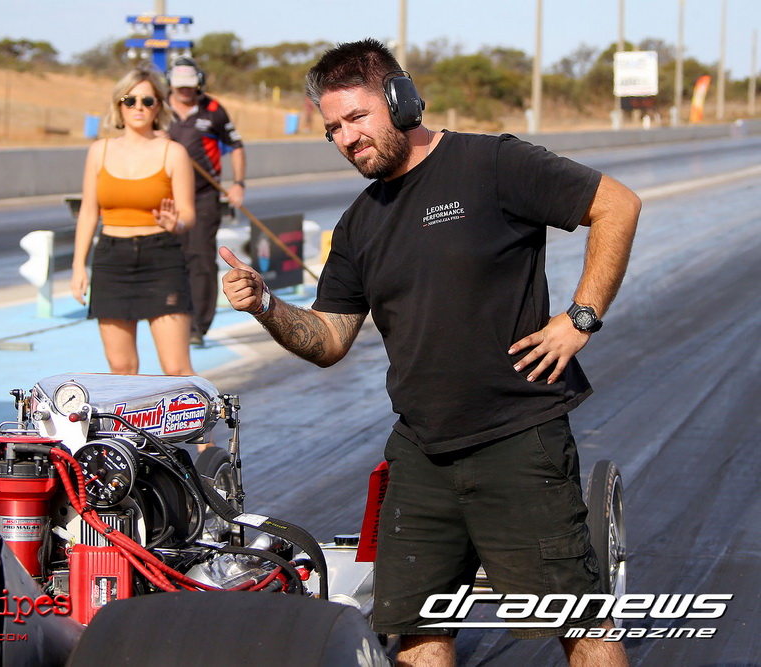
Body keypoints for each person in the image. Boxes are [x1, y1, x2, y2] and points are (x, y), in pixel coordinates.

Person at [220, 39, 640, 666]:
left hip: (517, 440)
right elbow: (330, 339)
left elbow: (616, 205)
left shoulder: (491, 163)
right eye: (333, 129)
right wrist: (266, 306)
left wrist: (580, 318)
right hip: (421, 454)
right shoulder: (358, 224)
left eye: (357, 117)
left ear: (401, 100)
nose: (347, 138)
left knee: (582, 626)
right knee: (415, 634)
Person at [70, 64, 196, 376]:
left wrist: (176, 224)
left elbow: (188, 214)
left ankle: (195, 412)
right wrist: (78, 266)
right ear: (119, 105)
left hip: (161, 259)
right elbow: (88, 212)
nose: (138, 107)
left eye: (147, 101)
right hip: (111, 259)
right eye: (130, 100)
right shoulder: (98, 151)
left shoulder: (173, 153)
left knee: (176, 369)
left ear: (159, 107)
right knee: (121, 368)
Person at [166, 56, 246, 347]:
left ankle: (197, 325)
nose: (184, 90)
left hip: (203, 196)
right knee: (170, 258)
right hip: (165, 198)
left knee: (200, 257)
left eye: (189, 85)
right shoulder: (157, 109)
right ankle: (170, 317)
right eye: (179, 85)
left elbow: (236, 146)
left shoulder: (213, 110)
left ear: (198, 82)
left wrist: (237, 184)